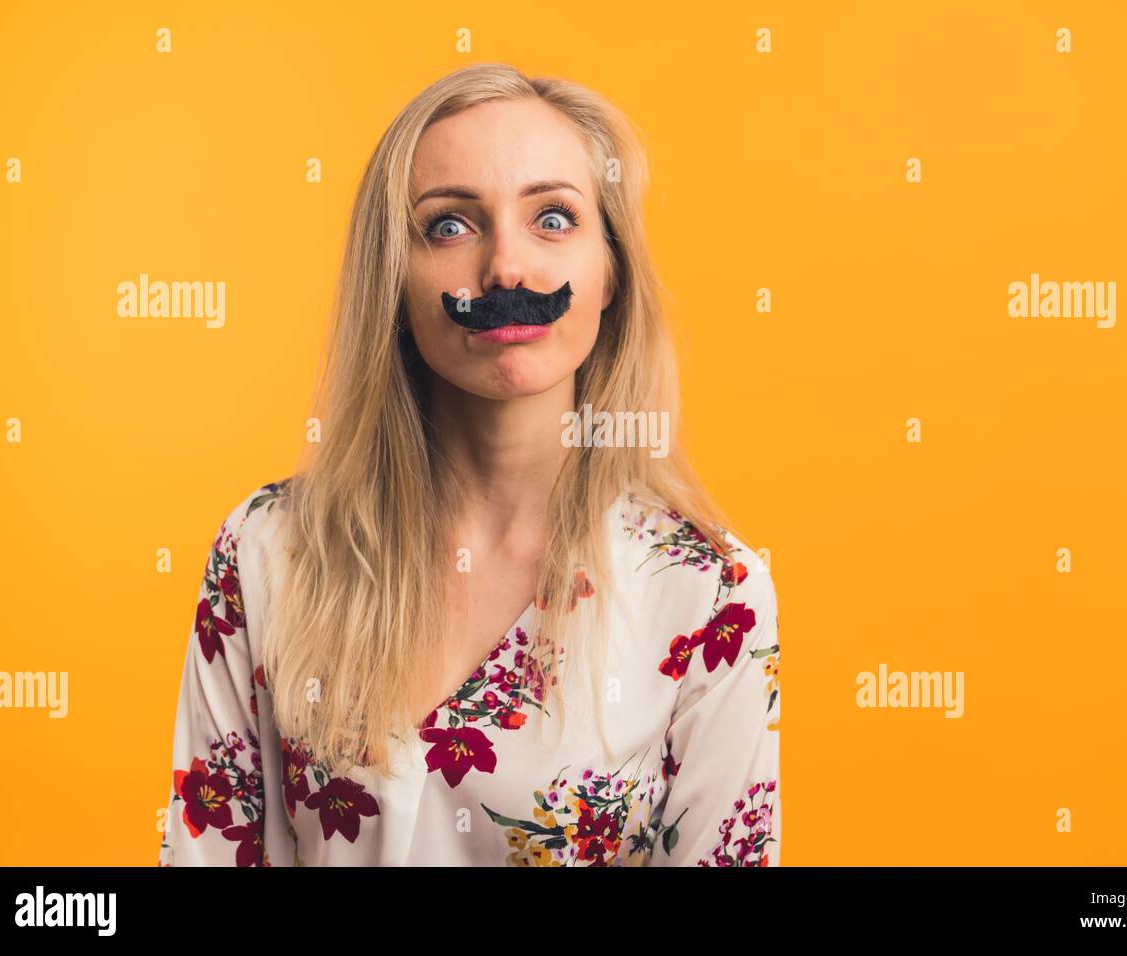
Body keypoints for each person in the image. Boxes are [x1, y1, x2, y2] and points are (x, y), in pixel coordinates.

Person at [160, 62, 780, 867]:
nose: (506, 271)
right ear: (394, 277)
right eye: (450, 226)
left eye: (552, 219)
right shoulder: (267, 550)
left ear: (611, 274)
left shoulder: (708, 595)